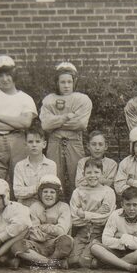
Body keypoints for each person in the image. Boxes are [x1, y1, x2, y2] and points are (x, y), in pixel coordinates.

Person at [0, 55, 37, 181]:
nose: (5, 79)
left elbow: (26, 123)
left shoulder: (25, 98)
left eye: (8, 75)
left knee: (20, 178)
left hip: (18, 141)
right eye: (0, 76)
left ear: (14, 74)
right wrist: (16, 122)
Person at [40, 62, 92, 196]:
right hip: (54, 142)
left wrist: (55, 120)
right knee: (54, 177)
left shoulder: (82, 99)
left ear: (74, 82)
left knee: (78, 176)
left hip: (74, 141)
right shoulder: (49, 99)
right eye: (63, 82)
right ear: (57, 83)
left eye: (69, 81)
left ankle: (77, 205)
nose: (66, 85)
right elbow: (45, 125)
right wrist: (67, 117)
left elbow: (81, 124)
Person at [11, 175, 73, 269]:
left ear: (58, 194)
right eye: (45, 192)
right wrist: (50, 230)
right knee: (17, 245)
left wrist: (43, 227)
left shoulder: (64, 207)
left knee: (66, 241)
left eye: (52, 192)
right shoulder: (34, 207)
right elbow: (33, 233)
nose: (48, 195)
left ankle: (33, 261)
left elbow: (62, 230)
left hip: (55, 245)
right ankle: (51, 263)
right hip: (37, 245)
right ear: (40, 193)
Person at [90, 187, 137, 273]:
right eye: (128, 204)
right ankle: (130, 267)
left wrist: (122, 236)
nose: (131, 208)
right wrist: (128, 242)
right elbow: (105, 240)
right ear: (122, 204)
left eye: (135, 205)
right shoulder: (115, 215)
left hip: (134, 253)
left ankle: (107, 264)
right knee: (95, 247)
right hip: (116, 250)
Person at [69, 159, 117, 268]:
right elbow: (75, 218)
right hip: (82, 232)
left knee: (84, 262)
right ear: (83, 174)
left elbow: (104, 218)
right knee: (72, 261)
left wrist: (85, 214)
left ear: (102, 173)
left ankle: (101, 261)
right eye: (89, 172)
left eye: (96, 172)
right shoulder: (78, 192)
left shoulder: (108, 191)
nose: (92, 176)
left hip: (99, 233)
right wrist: (96, 212)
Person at [13, 127, 56, 207]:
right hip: (24, 206)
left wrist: (27, 190)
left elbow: (50, 190)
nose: (34, 145)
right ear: (25, 144)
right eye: (30, 142)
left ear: (44, 144)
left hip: (44, 206)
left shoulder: (51, 165)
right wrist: (38, 187)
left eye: (37, 141)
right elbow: (17, 192)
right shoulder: (19, 166)